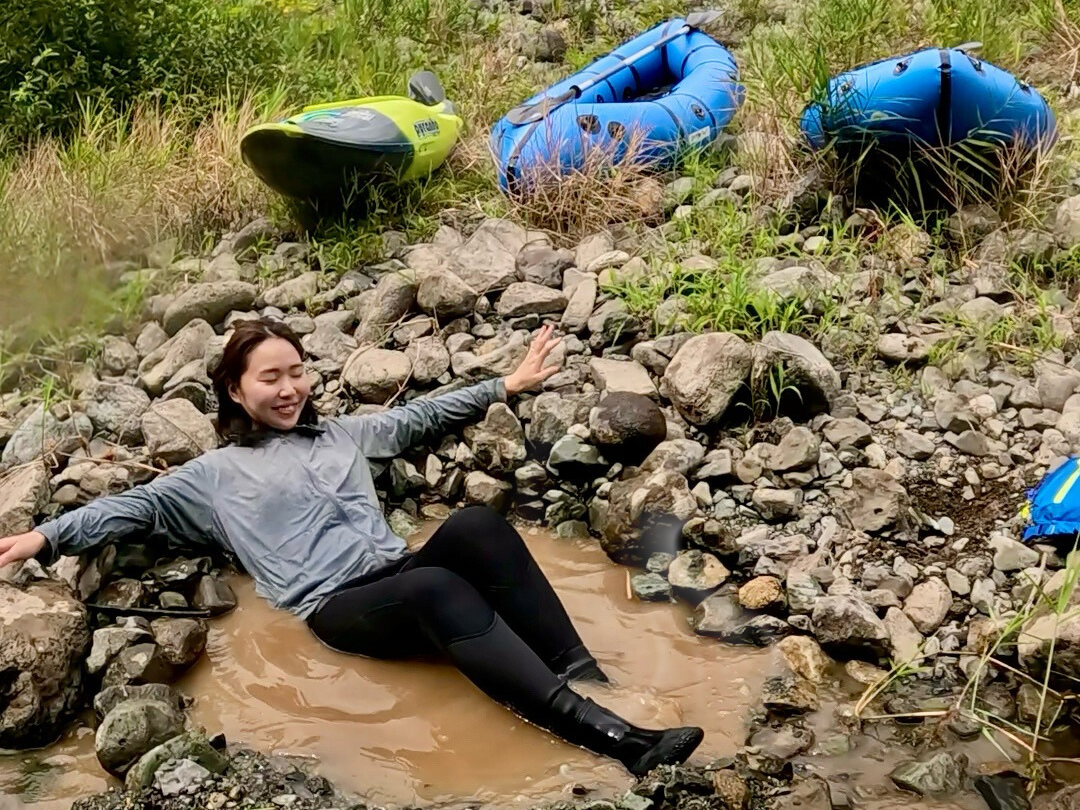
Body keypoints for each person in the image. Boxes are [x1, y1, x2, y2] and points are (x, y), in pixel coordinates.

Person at [0, 317, 703, 776]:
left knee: (476, 526)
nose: (290, 388)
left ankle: (589, 679)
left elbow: (419, 415)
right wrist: (43, 536)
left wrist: (507, 384)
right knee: (436, 588)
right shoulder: (211, 477)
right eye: (270, 378)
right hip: (335, 608)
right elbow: (132, 507)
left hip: (395, 574)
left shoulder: (340, 435)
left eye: (297, 371)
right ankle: (619, 741)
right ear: (235, 391)